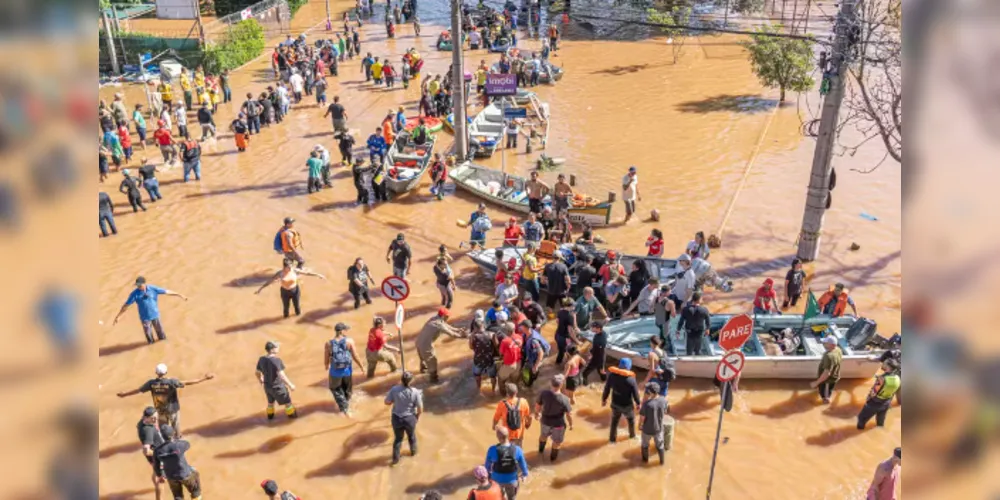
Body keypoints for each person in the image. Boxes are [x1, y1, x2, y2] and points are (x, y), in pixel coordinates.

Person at [116, 364, 214, 435]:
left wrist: (124, 394)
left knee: (164, 429)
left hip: (160, 410)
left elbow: (138, 390)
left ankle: (166, 442)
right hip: (173, 410)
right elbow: (188, 382)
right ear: (166, 372)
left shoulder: (151, 383)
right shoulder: (171, 382)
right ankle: (178, 441)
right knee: (176, 427)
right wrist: (204, 378)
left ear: (156, 373)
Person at [113, 277, 188, 344]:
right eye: (137, 285)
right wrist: (118, 316)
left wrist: (179, 294)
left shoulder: (153, 289)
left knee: (162, 336)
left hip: (155, 316)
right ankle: (151, 347)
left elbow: (167, 292)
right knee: (149, 338)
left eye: (140, 285)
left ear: (144, 283)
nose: (138, 286)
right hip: (145, 318)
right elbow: (126, 305)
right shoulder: (134, 294)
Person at [255, 259, 326, 317]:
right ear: (284, 267)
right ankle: (285, 320)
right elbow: (270, 281)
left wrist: (318, 275)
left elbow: (306, 273)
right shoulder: (280, 273)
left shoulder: (294, 270)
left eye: (291, 266)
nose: (290, 268)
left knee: (297, 307)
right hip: (285, 293)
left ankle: (298, 318)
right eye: (289, 267)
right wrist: (260, 289)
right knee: (286, 309)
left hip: (295, 291)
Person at [416, 308, 467, 383]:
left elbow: (445, 325)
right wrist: (463, 336)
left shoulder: (434, 318)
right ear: (443, 316)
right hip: (426, 347)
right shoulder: (438, 325)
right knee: (433, 363)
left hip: (419, 343)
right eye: (447, 316)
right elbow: (452, 334)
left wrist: (457, 329)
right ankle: (433, 381)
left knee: (423, 361)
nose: (448, 318)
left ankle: (422, 372)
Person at [152, 424, 202, 500]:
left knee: (178, 496)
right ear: (173, 433)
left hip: (171, 476)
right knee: (195, 487)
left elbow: (156, 467)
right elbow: (187, 444)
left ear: (162, 436)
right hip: (184, 474)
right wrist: (177, 439)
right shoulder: (179, 445)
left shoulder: (158, 451)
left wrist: (161, 475)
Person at [326, 322, 365, 416]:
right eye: (345, 330)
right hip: (347, 371)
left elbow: (326, 358)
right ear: (342, 331)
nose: (346, 331)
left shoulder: (328, 343)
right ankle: (347, 402)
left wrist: (326, 365)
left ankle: (344, 409)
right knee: (347, 389)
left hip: (335, 372)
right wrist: (362, 367)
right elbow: (355, 356)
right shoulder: (350, 341)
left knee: (335, 389)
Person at [385, 371, 423, 465]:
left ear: (401, 380)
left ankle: (395, 460)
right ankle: (413, 453)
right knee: (411, 437)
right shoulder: (415, 392)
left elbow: (387, 402)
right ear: (411, 381)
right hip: (409, 418)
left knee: (398, 439)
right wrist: (417, 417)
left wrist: (395, 400)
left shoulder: (394, 389)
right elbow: (420, 408)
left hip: (397, 418)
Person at [535, 374, 573, 462]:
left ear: (550, 384)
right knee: (556, 443)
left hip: (545, 421)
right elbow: (569, 414)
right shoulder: (565, 399)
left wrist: (537, 414)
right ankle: (552, 459)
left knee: (543, 436)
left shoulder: (544, 394)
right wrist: (571, 424)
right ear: (561, 385)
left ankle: (540, 452)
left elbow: (538, 406)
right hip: (558, 424)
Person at [484, 426, 529, 499]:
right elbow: (523, 466)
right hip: (512, 481)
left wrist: (489, 477)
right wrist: (524, 475)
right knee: (512, 497)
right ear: (508, 436)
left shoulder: (492, 449)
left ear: (498, 437)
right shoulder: (517, 449)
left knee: (499, 497)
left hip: (496, 480)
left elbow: (487, 467)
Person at [256, 341, 298, 419]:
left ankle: (270, 419)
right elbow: (282, 375)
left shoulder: (261, 359)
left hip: (267, 387)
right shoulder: (276, 360)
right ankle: (293, 419)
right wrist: (290, 385)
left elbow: (257, 372)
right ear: (272, 349)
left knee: (270, 403)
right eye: (277, 347)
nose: (279, 348)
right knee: (288, 403)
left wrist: (260, 380)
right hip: (278, 387)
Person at [603, 358, 641, 443]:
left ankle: (612, 440)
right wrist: (638, 403)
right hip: (627, 405)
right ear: (628, 367)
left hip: (615, 404)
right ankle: (632, 436)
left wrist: (604, 399)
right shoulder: (631, 379)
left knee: (614, 422)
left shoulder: (612, 376)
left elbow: (607, 389)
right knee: (631, 420)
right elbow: (635, 394)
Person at [857, 359, 901, 430]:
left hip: (875, 402)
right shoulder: (897, 378)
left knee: (861, 418)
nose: (883, 364)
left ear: (888, 366)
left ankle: (860, 429)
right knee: (880, 420)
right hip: (886, 402)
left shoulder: (881, 378)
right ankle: (880, 429)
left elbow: (874, 391)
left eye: (884, 363)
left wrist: (868, 399)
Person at [638, 382, 672, 464]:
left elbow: (642, 418)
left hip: (647, 430)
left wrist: (639, 426)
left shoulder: (646, 404)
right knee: (660, 446)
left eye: (647, 390)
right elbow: (668, 410)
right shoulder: (664, 400)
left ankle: (645, 461)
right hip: (658, 429)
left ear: (650, 392)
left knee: (645, 445)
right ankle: (662, 462)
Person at [135, 407, 165, 499]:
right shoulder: (148, 430)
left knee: (156, 474)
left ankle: (155, 476)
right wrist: (160, 454)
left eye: (156, 417)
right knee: (161, 481)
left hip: (155, 457)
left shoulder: (141, 423)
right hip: (158, 457)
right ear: (146, 417)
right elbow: (146, 451)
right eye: (153, 418)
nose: (155, 420)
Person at [493, 383, 532, 447]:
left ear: (507, 393)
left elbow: (496, 418)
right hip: (519, 434)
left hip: (507, 435)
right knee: (518, 451)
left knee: (508, 453)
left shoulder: (502, 404)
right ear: (516, 392)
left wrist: (494, 426)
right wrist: (528, 425)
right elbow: (529, 417)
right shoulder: (523, 401)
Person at [810, 336, 843, 403]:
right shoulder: (838, 349)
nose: (824, 344)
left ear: (832, 345)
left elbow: (826, 373)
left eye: (826, 343)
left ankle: (826, 403)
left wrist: (816, 383)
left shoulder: (828, 356)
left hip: (827, 381)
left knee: (825, 397)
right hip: (835, 376)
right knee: (828, 391)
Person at [470, 319, 499, 394]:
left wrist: (472, 334)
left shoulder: (473, 336)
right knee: (493, 376)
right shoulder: (491, 334)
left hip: (478, 360)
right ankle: (493, 390)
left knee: (477, 375)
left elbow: (471, 347)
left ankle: (478, 389)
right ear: (483, 325)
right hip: (489, 359)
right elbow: (497, 345)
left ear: (475, 327)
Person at [521, 321, 550, 387]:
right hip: (532, 352)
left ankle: (532, 379)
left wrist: (536, 366)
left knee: (532, 368)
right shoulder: (528, 333)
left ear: (526, 328)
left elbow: (541, 353)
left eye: (522, 326)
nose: (520, 327)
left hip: (539, 354)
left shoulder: (534, 340)